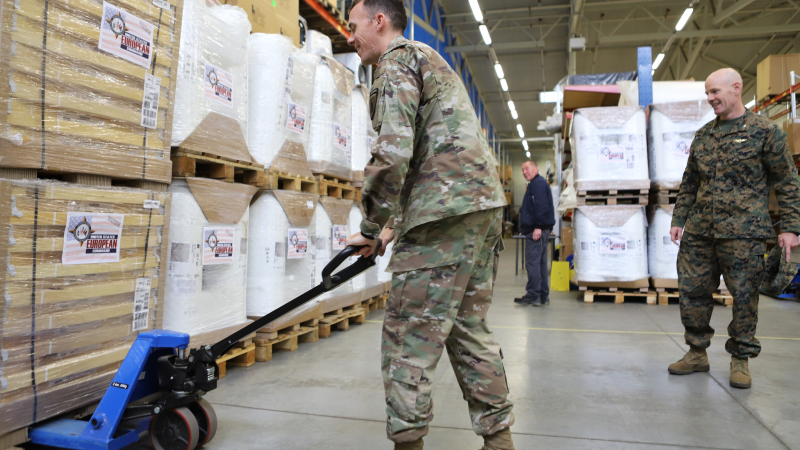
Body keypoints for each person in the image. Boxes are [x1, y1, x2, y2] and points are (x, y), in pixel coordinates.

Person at [344, 1, 515, 449]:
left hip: (442, 217)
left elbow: (393, 153)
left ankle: (408, 444)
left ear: (379, 21)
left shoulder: (395, 62)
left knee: (408, 337)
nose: (349, 36)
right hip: (479, 208)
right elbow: (432, 151)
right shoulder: (427, 58)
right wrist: (389, 229)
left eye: (353, 26)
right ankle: (499, 441)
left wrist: (370, 224)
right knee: (467, 328)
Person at [668, 68, 800, 389]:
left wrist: (791, 227)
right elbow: (690, 182)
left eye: (715, 91)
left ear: (736, 88)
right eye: (707, 93)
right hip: (700, 232)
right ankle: (697, 352)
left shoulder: (766, 133)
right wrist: (678, 219)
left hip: (745, 233)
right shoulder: (703, 135)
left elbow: (787, 182)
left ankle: (741, 358)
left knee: (744, 297)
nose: (710, 98)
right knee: (693, 292)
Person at [514, 161, 555, 306]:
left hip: (536, 231)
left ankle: (533, 295)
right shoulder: (537, 183)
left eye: (527, 168)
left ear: (536, 169)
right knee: (540, 263)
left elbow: (542, 206)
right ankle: (543, 295)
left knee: (532, 263)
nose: (524, 172)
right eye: (522, 170)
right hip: (540, 229)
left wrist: (538, 227)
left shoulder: (537, 184)